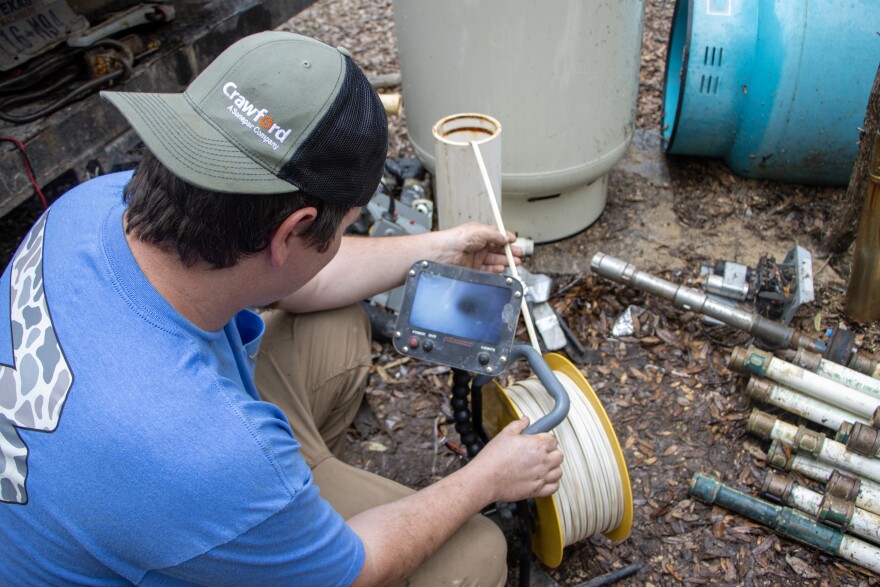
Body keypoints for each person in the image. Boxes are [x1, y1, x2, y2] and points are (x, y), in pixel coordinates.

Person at [0, 31, 563, 586]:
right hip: (181, 491)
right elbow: (359, 569)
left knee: (334, 323)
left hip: (118, 490)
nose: (341, 240)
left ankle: (283, 521)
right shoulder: (206, 451)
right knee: (475, 555)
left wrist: (440, 246)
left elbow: (300, 278)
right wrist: (486, 478)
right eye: (344, 228)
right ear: (292, 231)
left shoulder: (89, 207)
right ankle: (283, 531)